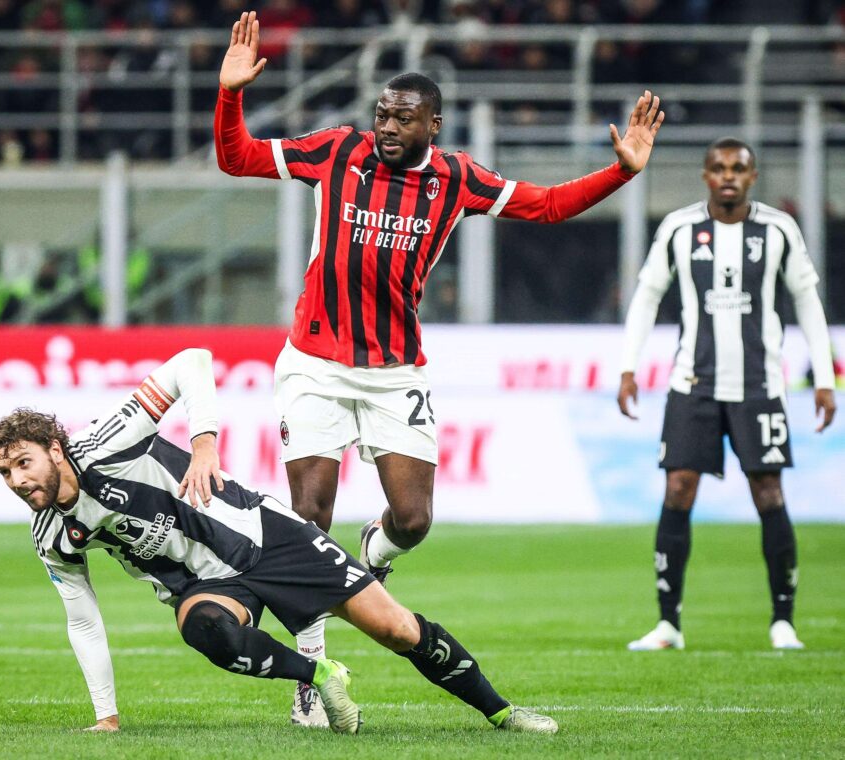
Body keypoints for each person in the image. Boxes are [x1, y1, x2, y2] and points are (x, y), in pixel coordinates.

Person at [214, 10, 664, 724]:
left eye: (403, 117)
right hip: (314, 362)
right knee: (308, 517)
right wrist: (231, 93)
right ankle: (312, 676)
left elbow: (545, 206)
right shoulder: (336, 152)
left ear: (434, 125)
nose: (386, 127)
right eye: (381, 114)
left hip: (396, 369)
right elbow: (236, 158)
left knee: (416, 520)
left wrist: (620, 170)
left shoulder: (456, 180)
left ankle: (375, 547)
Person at [0, 348, 559, 735]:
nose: (18, 481)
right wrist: (106, 717)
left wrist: (203, 443)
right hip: (210, 585)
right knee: (205, 629)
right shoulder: (52, 535)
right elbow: (82, 620)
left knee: (398, 631)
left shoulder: (106, 443)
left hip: (265, 535)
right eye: (6, 475)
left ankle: (503, 714)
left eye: (24, 464)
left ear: (55, 450)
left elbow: (192, 362)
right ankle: (322, 678)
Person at [617, 137, 837, 652]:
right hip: (692, 383)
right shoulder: (679, 227)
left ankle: (783, 620)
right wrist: (628, 366)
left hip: (760, 385)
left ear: (753, 177)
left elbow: (807, 299)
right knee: (678, 490)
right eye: (718, 168)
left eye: (738, 168)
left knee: (768, 493)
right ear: (705, 176)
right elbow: (648, 294)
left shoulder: (778, 229)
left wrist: (824, 376)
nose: (729, 176)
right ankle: (668, 623)